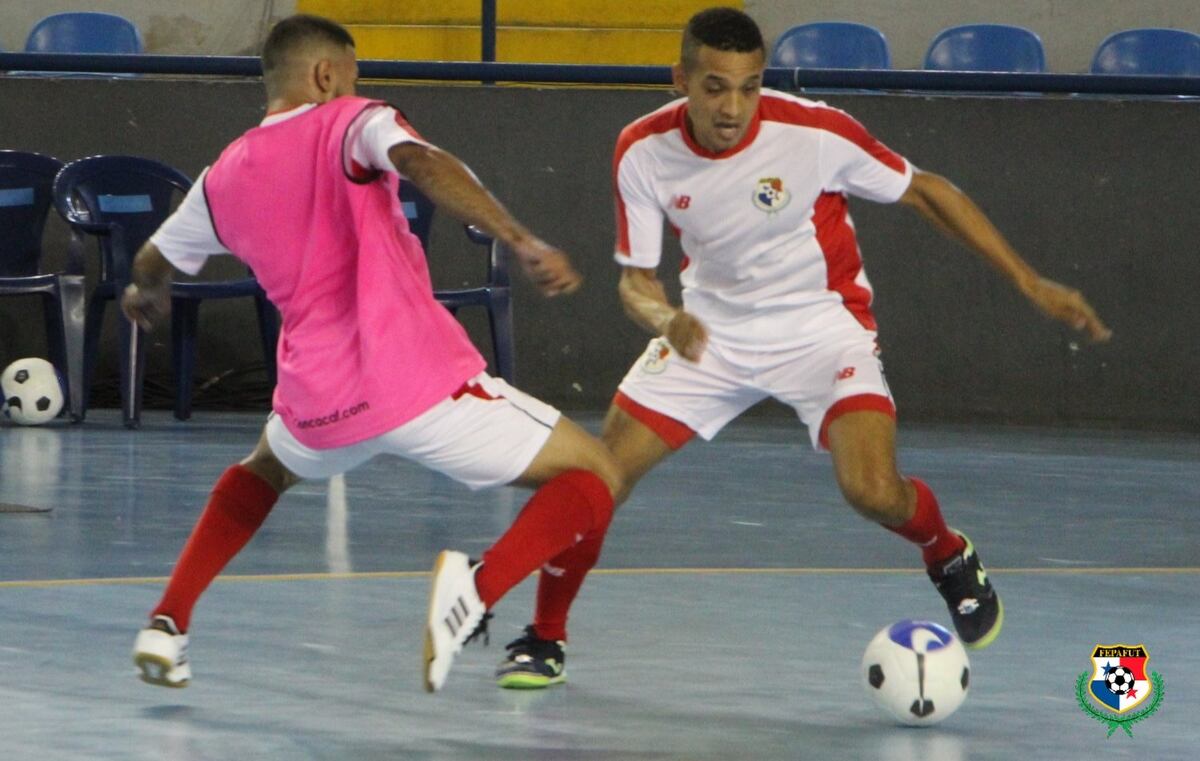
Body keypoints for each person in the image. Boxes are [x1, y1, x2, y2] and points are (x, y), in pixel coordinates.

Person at [493, 7, 1113, 687]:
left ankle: (946, 551)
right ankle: (544, 635)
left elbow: (926, 192)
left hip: (821, 327)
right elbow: (636, 282)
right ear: (680, 80)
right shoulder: (641, 149)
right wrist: (666, 318)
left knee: (873, 490)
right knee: (598, 476)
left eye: (750, 87)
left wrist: (1027, 279)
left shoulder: (813, 131)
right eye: (715, 88)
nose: (734, 108)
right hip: (709, 332)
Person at [122, 14, 623, 694]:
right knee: (595, 477)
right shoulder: (353, 121)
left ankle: (167, 622)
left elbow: (154, 261)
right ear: (326, 75)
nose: (359, 85)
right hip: (417, 383)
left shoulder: (222, 177)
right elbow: (419, 160)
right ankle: (477, 589)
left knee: (263, 469)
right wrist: (516, 235)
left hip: (318, 403)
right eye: (355, 74)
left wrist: (144, 294)